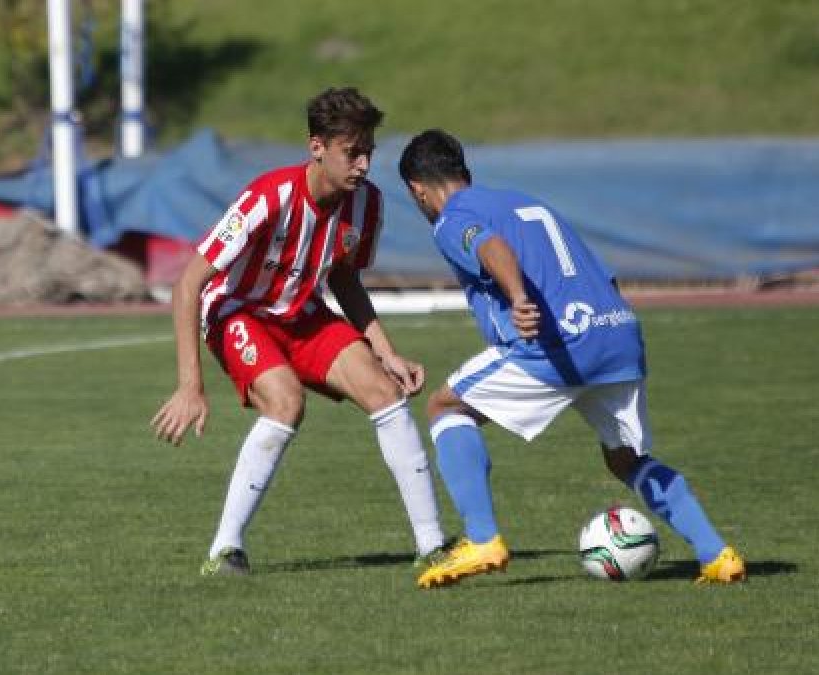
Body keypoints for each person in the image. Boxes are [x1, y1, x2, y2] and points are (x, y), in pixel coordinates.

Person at [397, 129, 746, 588]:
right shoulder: (527, 203)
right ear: (465, 170)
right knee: (625, 458)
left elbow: (490, 248)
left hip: (558, 342)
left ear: (417, 190)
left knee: (445, 407)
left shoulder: (452, 218)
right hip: (617, 332)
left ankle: (482, 539)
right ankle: (717, 554)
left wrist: (518, 298)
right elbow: (599, 271)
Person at [151, 88, 446, 575]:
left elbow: (345, 278)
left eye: (369, 151)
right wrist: (190, 386)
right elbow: (188, 283)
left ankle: (432, 545)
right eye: (352, 153)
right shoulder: (269, 196)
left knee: (384, 392)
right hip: (239, 312)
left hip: (303, 314)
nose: (364, 165)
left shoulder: (366, 204)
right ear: (317, 147)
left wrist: (386, 352)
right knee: (286, 401)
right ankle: (225, 549)